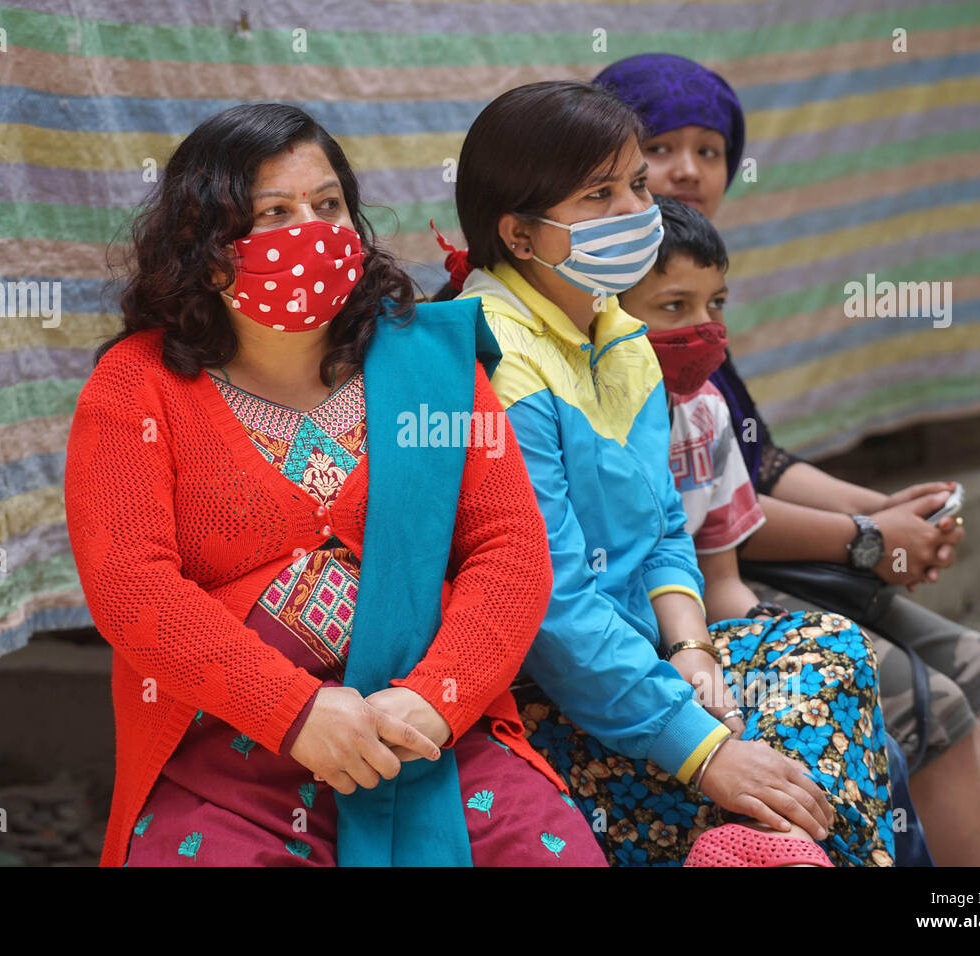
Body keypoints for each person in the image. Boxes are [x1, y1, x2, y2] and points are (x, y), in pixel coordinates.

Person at [64, 103, 606, 867]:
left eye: (327, 206)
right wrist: (294, 712)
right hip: (231, 759)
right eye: (274, 214)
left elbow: (510, 549)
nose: (310, 232)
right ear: (207, 248)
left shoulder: (431, 369)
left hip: (428, 742)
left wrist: (435, 698)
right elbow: (130, 587)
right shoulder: (136, 390)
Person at [594, 51, 980, 866]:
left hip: (733, 573)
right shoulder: (614, 322)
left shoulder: (693, 311)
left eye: (709, 151)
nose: (686, 170)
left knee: (978, 664)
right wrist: (864, 539)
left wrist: (883, 511)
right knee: (928, 701)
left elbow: (752, 462)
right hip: (699, 598)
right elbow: (700, 521)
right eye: (657, 151)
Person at [443, 80, 895, 866]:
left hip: (646, 660)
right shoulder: (498, 363)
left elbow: (661, 530)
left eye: (636, 187)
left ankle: (765, 849)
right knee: (785, 762)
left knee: (826, 647)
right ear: (519, 235)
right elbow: (553, 609)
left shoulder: (615, 330)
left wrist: (691, 650)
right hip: (548, 697)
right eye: (599, 195)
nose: (634, 214)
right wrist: (705, 750)